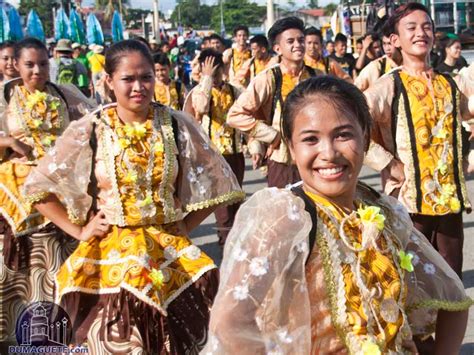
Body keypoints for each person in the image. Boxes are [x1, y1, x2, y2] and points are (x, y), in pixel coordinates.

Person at [202, 76, 472, 355]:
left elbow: (452, 298)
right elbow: (230, 325)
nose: (328, 153)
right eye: (310, 139)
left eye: (343, 135)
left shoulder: (384, 212)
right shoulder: (284, 217)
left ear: (366, 139)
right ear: (292, 149)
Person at [23, 39, 245, 353]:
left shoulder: (177, 125)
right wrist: (80, 231)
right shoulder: (92, 128)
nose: (138, 87)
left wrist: (185, 225)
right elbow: (38, 187)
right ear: (109, 82)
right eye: (128, 79)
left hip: (169, 249)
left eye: (146, 77)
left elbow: (221, 182)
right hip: (111, 249)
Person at [363, 3, 474, 283]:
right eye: (411, 28)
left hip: (449, 200)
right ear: (395, 40)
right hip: (409, 201)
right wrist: (386, 162)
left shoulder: (449, 83)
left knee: (451, 284)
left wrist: (467, 159)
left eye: (426, 26)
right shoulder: (390, 85)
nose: (420, 33)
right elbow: (352, 123)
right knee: (412, 284)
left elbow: (468, 111)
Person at [0, 37, 94, 341]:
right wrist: (8, 142)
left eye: (43, 64)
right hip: (16, 192)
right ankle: (17, 332)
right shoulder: (5, 96)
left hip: (61, 189)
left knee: (59, 259)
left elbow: (95, 123)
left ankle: (58, 329)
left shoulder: (65, 95)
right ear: (15, 65)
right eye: (29, 64)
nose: (37, 71)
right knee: (16, 267)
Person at [228, 17, 321, 188]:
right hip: (282, 160)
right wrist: (272, 135)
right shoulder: (269, 78)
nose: (298, 45)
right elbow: (235, 115)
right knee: (282, 212)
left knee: (318, 212)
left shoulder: (317, 76)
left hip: (316, 159)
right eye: (291, 41)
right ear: (278, 48)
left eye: (301, 40)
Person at [184, 49, 244, 247]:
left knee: (236, 198)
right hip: (212, 156)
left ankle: (233, 239)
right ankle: (226, 243)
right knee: (221, 202)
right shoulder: (198, 92)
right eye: (212, 73)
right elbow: (200, 107)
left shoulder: (235, 91)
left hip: (235, 152)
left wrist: (255, 145)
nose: (216, 77)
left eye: (218, 73)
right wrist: (207, 79)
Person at [355, 25, 401, 91]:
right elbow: (358, 68)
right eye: (384, 44)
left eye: (389, 44)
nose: (386, 48)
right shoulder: (376, 65)